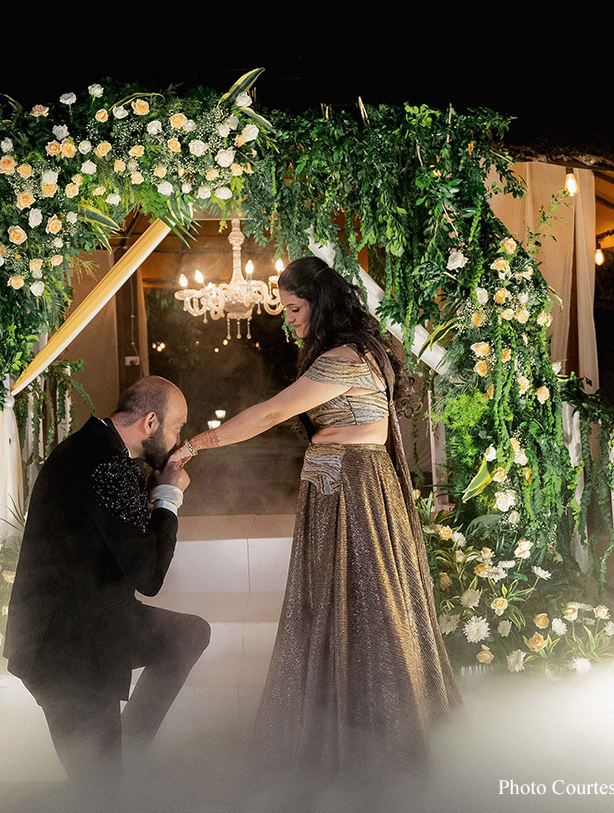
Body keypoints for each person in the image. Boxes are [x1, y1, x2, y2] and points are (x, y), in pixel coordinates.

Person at [167, 256, 461, 779]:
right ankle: (353, 729)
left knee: (356, 602)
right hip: (349, 484)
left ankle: (367, 741)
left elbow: (274, 411)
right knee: (348, 601)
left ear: (319, 302)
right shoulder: (359, 350)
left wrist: (200, 442)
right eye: (285, 309)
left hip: (349, 488)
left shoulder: (345, 358)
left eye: (296, 308)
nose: (290, 319)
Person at [4, 375, 212, 789]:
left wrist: (154, 496)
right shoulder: (107, 467)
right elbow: (149, 577)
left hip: (97, 622)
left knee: (186, 634)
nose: (178, 440)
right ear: (150, 422)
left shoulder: (97, 450)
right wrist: (168, 497)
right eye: (177, 427)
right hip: (65, 653)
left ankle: (129, 749)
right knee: (99, 794)